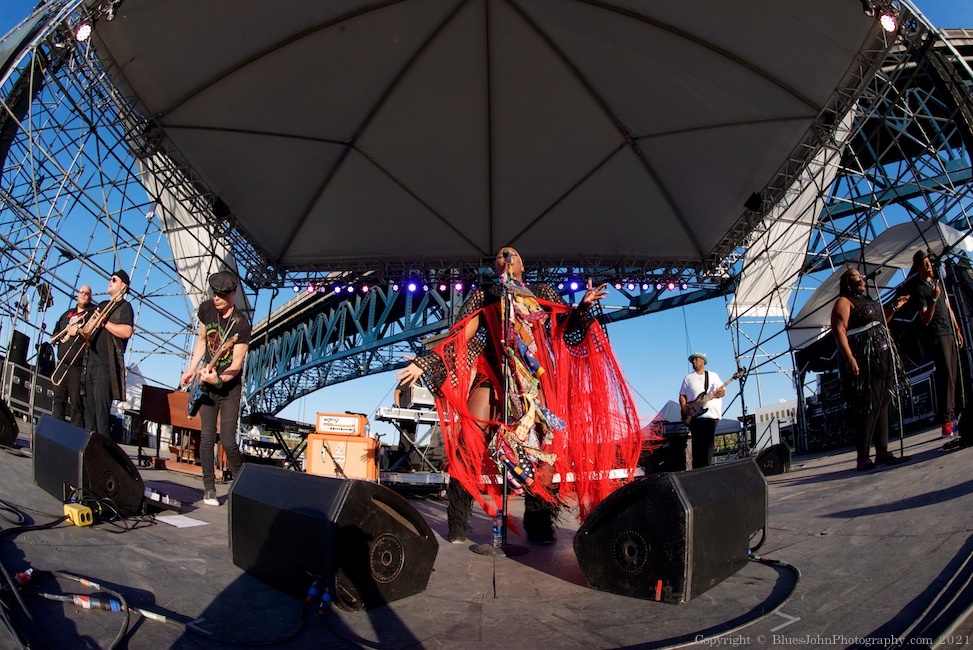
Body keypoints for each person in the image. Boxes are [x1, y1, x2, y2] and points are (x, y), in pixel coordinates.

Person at [396, 248, 642, 544]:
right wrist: (424, 361)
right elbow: (460, 336)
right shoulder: (486, 293)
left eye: (511, 253)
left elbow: (566, 331)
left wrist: (583, 307)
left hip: (535, 383)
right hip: (495, 376)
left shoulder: (541, 291)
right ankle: (458, 523)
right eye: (500, 255)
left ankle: (538, 525)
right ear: (495, 265)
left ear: (522, 263)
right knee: (468, 443)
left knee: (544, 455)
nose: (506, 256)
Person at [180, 271, 249, 506]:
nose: (216, 298)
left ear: (233, 294)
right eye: (214, 293)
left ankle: (242, 483)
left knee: (228, 441)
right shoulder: (206, 309)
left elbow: (237, 364)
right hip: (206, 383)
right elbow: (201, 340)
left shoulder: (241, 324)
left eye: (221, 295)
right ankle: (208, 488)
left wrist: (218, 381)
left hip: (228, 388)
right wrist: (191, 369)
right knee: (207, 437)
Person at [831, 267, 909, 471]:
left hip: (882, 353)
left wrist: (894, 307)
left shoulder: (869, 301)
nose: (861, 278)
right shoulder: (844, 302)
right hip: (864, 357)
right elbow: (839, 329)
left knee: (883, 401)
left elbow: (881, 322)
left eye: (860, 275)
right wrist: (849, 357)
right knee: (870, 403)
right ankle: (863, 456)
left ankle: (882, 451)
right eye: (856, 276)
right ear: (848, 282)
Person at [907, 250, 964, 439]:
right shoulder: (921, 289)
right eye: (924, 263)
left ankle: (958, 413)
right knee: (946, 374)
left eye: (928, 261)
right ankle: (946, 419)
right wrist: (933, 297)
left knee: (955, 373)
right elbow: (924, 318)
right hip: (937, 333)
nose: (928, 265)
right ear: (919, 268)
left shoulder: (938, 283)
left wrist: (956, 328)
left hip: (949, 330)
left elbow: (947, 306)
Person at [83, 271, 134, 438]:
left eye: (114, 280)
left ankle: (102, 453)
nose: (110, 282)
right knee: (88, 412)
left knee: (101, 415)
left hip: (105, 366)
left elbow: (127, 331)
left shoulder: (125, 307)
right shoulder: (103, 304)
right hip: (90, 362)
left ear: (123, 286)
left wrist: (104, 322)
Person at [51, 285, 94, 425]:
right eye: (81, 292)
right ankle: (56, 431)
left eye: (87, 293)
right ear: (77, 295)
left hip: (78, 367)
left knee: (76, 403)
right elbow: (57, 330)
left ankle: (75, 437)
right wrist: (57, 336)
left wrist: (78, 331)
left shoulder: (91, 313)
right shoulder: (67, 314)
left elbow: (91, 334)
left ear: (90, 296)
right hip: (62, 364)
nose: (84, 295)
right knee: (58, 398)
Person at [678, 352, 725, 469]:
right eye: (692, 360)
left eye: (696, 359)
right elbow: (682, 395)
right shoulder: (688, 378)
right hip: (695, 416)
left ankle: (706, 468)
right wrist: (684, 407)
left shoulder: (713, 375)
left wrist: (721, 393)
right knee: (697, 444)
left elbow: (722, 391)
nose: (693, 362)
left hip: (711, 415)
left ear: (703, 361)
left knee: (708, 444)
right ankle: (698, 469)